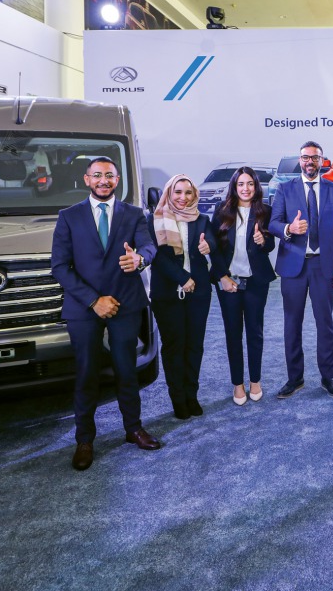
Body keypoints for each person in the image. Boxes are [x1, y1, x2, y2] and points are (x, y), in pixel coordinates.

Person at [50, 156, 161, 470]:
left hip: (126, 302)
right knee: (86, 374)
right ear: (87, 179)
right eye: (97, 175)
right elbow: (59, 266)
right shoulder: (69, 217)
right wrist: (93, 300)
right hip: (84, 307)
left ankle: (133, 429)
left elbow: (149, 247)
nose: (103, 181)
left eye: (109, 176)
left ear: (118, 179)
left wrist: (140, 260)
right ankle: (84, 439)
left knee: (127, 370)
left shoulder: (135, 214)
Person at [269, 141, 333, 399]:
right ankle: (295, 378)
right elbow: (273, 223)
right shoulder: (284, 189)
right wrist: (289, 230)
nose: (309, 162)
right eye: (305, 158)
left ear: (322, 161)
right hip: (293, 265)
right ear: (300, 160)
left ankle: (329, 377)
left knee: (325, 324)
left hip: (323, 266)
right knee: (292, 323)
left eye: (315, 158)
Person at [150, 173, 216, 420]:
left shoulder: (202, 219)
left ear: (194, 195)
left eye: (188, 192)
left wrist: (208, 245)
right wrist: (182, 278)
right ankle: (178, 399)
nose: (182, 197)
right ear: (169, 193)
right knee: (174, 346)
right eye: (178, 192)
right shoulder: (154, 219)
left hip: (199, 293)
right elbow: (156, 256)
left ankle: (192, 395)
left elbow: (211, 240)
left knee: (194, 345)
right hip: (167, 293)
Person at [209, 166, 276, 406]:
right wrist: (221, 277)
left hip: (256, 281)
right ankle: (238, 384)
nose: (245, 188)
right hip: (229, 283)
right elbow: (213, 248)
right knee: (233, 334)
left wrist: (263, 240)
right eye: (241, 184)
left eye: (250, 184)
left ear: (256, 187)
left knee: (255, 333)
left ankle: (255, 381)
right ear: (234, 187)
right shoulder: (222, 211)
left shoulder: (265, 211)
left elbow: (270, 245)